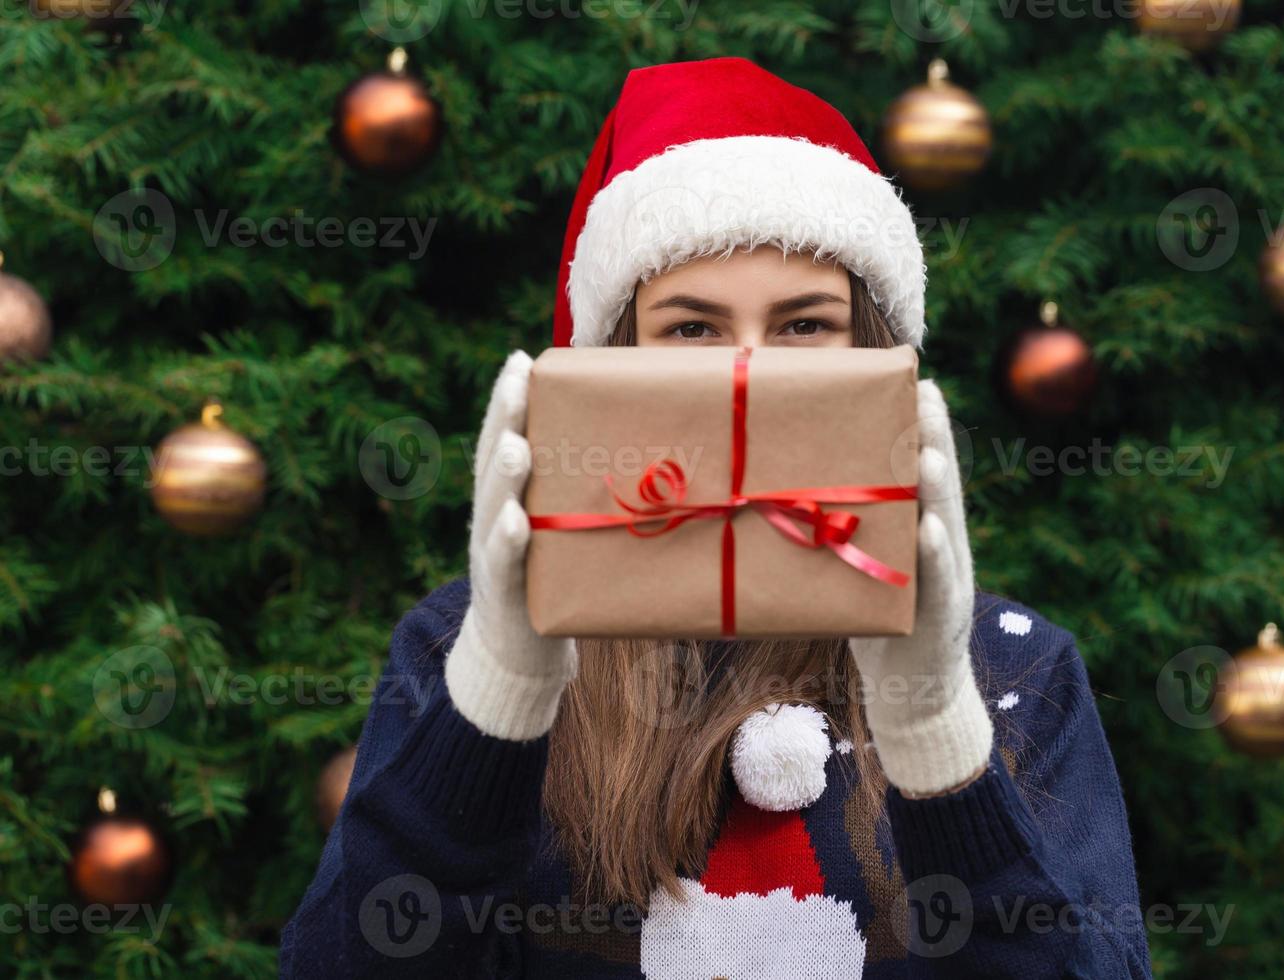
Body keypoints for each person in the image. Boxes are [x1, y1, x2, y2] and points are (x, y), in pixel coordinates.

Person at [281, 57, 1153, 979]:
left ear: (875, 353)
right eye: (691, 329)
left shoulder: (1010, 666)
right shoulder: (460, 644)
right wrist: (496, 697)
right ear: (614, 362)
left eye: (804, 325)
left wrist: (935, 730)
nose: (750, 375)